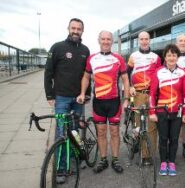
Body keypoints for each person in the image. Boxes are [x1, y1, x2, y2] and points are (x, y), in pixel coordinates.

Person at [77, 31, 130, 174]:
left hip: (114, 102)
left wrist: (126, 99)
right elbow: (86, 77)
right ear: (98, 40)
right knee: (100, 132)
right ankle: (103, 159)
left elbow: (125, 79)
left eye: (108, 39)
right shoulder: (92, 58)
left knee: (114, 131)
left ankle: (115, 159)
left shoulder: (118, 58)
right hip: (98, 102)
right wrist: (82, 93)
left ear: (112, 41)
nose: (106, 41)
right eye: (103, 39)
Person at [44, 18, 90, 184]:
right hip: (61, 98)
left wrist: (87, 94)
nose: (76, 31)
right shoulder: (57, 47)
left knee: (75, 131)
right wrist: (50, 95)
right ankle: (62, 168)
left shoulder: (85, 50)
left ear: (82, 31)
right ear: (68, 28)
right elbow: (48, 72)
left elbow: (88, 74)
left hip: (78, 98)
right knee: (61, 133)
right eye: (73, 28)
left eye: (79, 29)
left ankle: (75, 160)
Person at [149, 44, 185, 176]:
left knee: (174, 138)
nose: (171, 57)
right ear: (165, 57)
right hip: (162, 111)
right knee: (163, 138)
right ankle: (163, 162)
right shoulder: (158, 72)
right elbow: (152, 94)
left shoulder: (182, 72)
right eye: (169, 55)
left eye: (174, 55)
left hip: (177, 111)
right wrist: (152, 112)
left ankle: (171, 162)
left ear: (177, 57)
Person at [127, 31, 161, 165]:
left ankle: (148, 155)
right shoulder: (133, 56)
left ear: (150, 40)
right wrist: (130, 86)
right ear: (138, 41)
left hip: (152, 94)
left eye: (146, 39)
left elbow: (160, 75)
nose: (144, 41)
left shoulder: (156, 57)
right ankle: (141, 149)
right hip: (138, 94)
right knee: (138, 125)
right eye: (142, 39)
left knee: (152, 126)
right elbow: (126, 73)